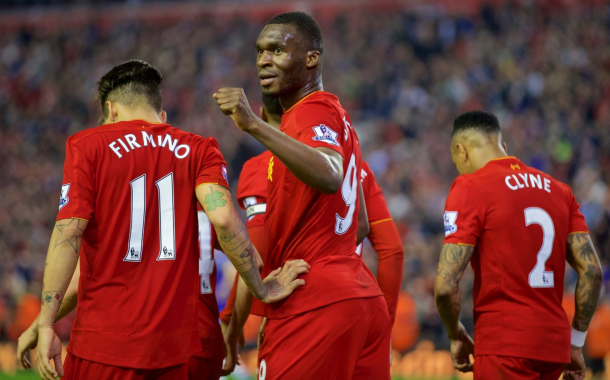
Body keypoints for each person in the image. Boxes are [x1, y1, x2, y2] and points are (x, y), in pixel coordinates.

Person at [34, 59, 309, 380]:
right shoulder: (199, 148)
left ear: (111, 110)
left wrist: (45, 324)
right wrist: (261, 288)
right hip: (177, 352)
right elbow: (223, 220)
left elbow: (68, 232)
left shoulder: (87, 144)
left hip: (103, 347)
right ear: (159, 112)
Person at [213, 11, 391, 379]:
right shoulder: (340, 118)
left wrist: (253, 124)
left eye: (277, 50)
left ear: (311, 59)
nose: (264, 59)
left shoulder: (309, 111)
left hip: (313, 297)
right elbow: (359, 224)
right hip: (361, 298)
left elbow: (329, 174)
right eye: (260, 51)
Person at [219, 95, 404, 374]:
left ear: (261, 112)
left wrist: (232, 327)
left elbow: (257, 256)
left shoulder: (264, 165)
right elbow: (390, 248)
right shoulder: (357, 165)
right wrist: (386, 328)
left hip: (306, 304)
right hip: (364, 301)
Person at [434, 110, 603, 380]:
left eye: (457, 162)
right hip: (554, 349)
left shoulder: (470, 186)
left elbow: (445, 286)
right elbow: (593, 272)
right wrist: (576, 343)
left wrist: (455, 335)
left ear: (460, 150)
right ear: (503, 146)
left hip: (504, 344)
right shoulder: (560, 190)